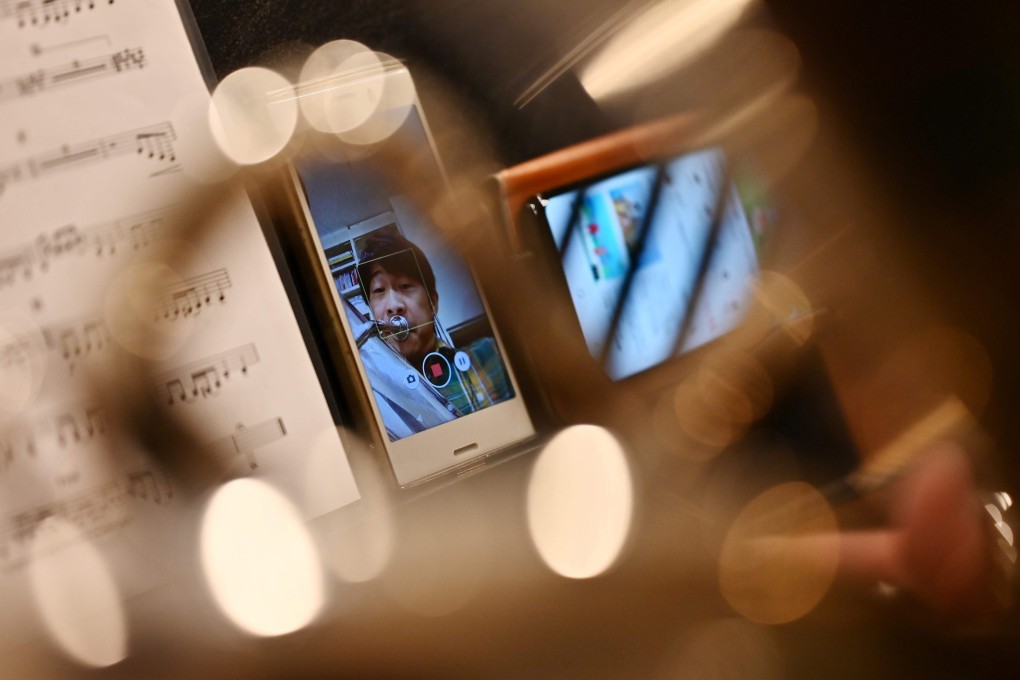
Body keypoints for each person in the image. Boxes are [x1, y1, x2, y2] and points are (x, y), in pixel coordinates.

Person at [356, 230, 512, 422]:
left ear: (433, 303)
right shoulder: (372, 396)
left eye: (405, 285)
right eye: (379, 290)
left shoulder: (491, 354)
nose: (394, 306)